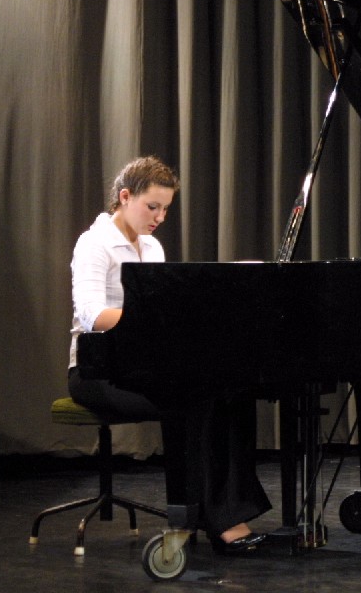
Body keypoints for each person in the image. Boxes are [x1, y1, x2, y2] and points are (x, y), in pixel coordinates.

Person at [67, 155, 271, 555]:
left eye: (165, 209)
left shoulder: (152, 247)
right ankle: (208, 520)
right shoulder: (94, 244)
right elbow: (91, 315)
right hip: (95, 372)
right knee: (193, 402)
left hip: (143, 367)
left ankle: (213, 514)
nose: (160, 217)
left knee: (227, 392)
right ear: (125, 197)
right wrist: (146, 320)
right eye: (153, 207)